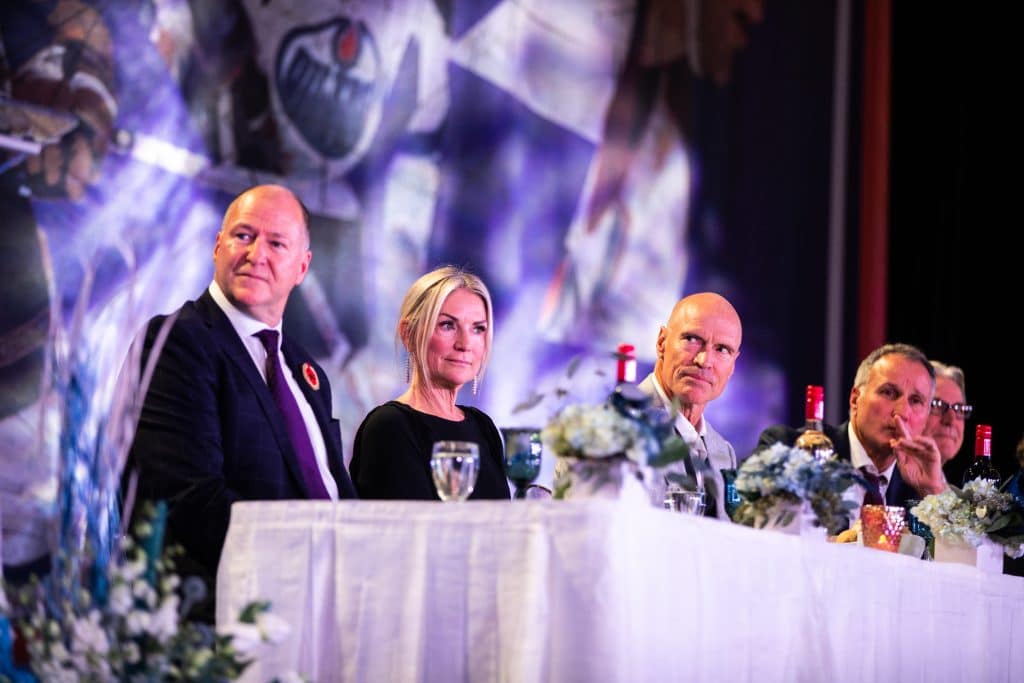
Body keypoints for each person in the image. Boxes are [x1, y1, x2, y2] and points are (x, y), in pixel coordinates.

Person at [126, 185, 358, 594]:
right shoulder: (175, 342)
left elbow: (330, 488)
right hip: (233, 613)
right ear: (218, 246)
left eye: (277, 243)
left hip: (331, 603)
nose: (257, 255)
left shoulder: (307, 371)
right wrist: (308, 568)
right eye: (244, 236)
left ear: (302, 268)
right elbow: (189, 500)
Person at [348, 266, 510, 500]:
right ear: (409, 334)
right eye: (447, 325)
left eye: (478, 329)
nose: (465, 344)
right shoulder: (390, 426)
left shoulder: (483, 428)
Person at [758, 343, 947, 511]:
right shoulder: (789, 448)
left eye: (916, 401)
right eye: (888, 392)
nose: (902, 412)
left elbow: (958, 550)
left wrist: (932, 490)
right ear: (855, 399)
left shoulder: (919, 488)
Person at [637, 292, 743, 518]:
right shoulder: (614, 428)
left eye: (722, 349)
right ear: (662, 342)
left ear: (733, 366)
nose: (704, 361)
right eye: (692, 339)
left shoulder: (724, 452)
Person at [923, 360, 972, 484]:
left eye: (959, 409)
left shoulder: (954, 496)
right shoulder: (886, 485)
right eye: (937, 405)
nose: (951, 419)